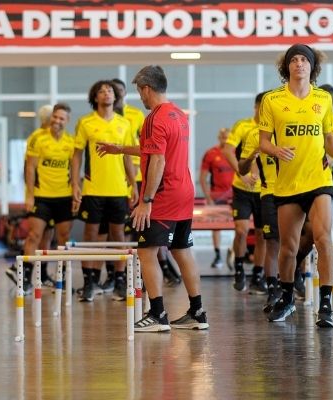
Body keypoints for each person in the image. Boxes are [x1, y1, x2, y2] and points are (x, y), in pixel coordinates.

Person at [97, 65, 209, 332]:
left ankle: (157, 314)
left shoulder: (154, 118)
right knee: (182, 250)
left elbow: (157, 159)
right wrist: (119, 149)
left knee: (147, 252)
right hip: (184, 192)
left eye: (140, 92)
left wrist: (146, 200)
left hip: (163, 195)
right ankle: (197, 312)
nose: (141, 98)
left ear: (147, 88)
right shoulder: (178, 115)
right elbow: (155, 150)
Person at [258, 44, 333, 325]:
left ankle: (325, 304)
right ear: (287, 66)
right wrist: (276, 150)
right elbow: (263, 142)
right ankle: (288, 297)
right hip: (288, 184)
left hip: (319, 180)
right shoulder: (272, 100)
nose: (299, 64)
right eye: (294, 60)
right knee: (289, 248)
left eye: (304, 60)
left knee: (323, 239)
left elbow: (329, 139)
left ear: (312, 66)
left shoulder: (323, 98)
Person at [72, 81, 137, 302]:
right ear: (95, 97)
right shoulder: (86, 122)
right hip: (93, 189)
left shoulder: (124, 123)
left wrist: (134, 185)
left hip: (118, 189)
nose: (106, 93)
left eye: (110, 90)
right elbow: (77, 155)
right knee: (91, 236)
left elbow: (128, 156)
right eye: (101, 90)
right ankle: (89, 281)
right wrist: (75, 185)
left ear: (115, 96)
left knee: (118, 235)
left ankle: (119, 280)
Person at [9, 103, 74, 292]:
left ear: (67, 121)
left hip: (64, 197)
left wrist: (76, 192)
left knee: (63, 239)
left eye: (61, 118)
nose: (57, 121)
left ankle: (61, 278)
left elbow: (74, 168)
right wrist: (29, 196)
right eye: (55, 117)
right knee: (34, 235)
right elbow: (29, 168)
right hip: (41, 197)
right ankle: (25, 279)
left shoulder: (70, 142)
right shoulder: (37, 138)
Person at [223, 93, 267, 294]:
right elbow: (228, 151)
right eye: (261, 108)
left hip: (265, 190)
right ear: (256, 107)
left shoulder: (274, 128)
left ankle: (258, 275)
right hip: (241, 188)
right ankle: (239, 268)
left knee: (262, 234)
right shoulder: (243, 126)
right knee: (241, 230)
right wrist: (242, 176)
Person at [238, 117, 282, 313]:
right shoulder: (254, 134)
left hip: (296, 192)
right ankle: (271, 288)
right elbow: (243, 165)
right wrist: (250, 163)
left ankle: (293, 281)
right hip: (268, 194)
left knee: (296, 241)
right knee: (269, 241)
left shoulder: (293, 128)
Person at [199, 127, 234, 268]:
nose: (225, 140)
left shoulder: (236, 152)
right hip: (216, 195)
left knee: (240, 226)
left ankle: (234, 252)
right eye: (222, 137)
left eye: (227, 137)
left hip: (235, 196)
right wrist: (208, 197)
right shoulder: (211, 153)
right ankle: (218, 254)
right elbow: (203, 178)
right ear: (219, 137)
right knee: (216, 226)